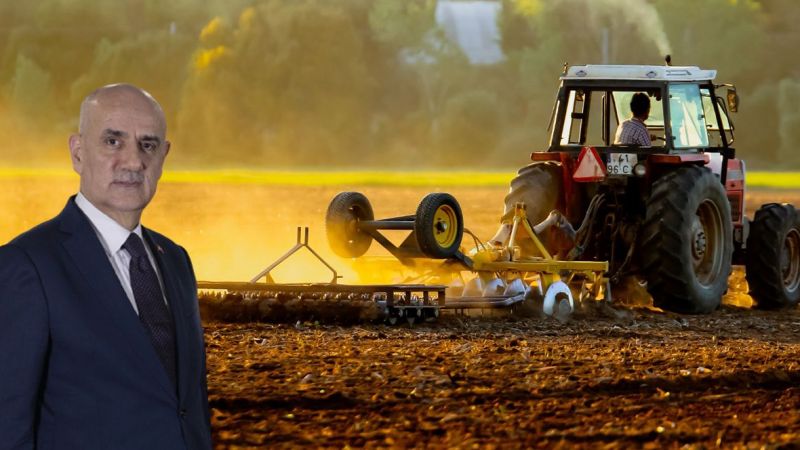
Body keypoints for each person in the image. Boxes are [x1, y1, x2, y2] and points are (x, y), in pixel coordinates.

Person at [0, 84, 213, 449]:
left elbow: (186, 407)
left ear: (163, 156)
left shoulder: (176, 261)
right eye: (113, 142)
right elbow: (7, 424)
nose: (133, 162)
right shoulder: (28, 265)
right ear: (78, 153)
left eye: (147, 145)